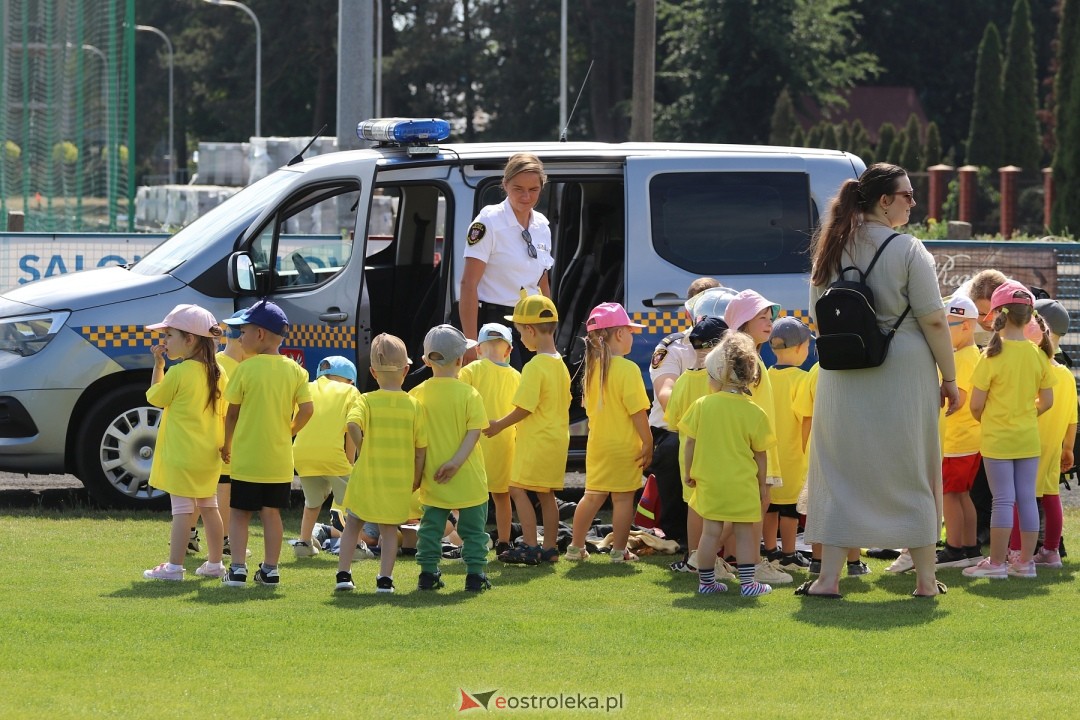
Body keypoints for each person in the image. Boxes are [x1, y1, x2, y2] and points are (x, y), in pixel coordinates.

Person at [802, 163, 959, 600]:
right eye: (907, 195)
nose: (914, 202)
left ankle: (828, 579)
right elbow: (934, 319)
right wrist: (950, 377)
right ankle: (925, 581)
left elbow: (816, 315)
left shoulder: (829, 248)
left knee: (839, 468)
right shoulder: (909, 250)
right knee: (913, 465)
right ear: (884, 201)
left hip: (843, 371)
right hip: (904, 370)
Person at [963, 282, 1055, 580]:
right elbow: (1048, 401)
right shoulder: (1039, 355)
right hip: (1027, 437)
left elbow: (976, 405)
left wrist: (989, 421)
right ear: (1030, 315)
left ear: (997, 314)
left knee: (1002, 499)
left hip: (997, 439)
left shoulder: (990, 356)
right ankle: (1025, 564)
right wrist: (1027, 415)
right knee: (1027, 498)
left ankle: (997, 563)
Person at [220, 300, 314, 587]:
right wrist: (290, 430)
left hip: (248, 458)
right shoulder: (295, 370)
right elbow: (308, 410)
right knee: (272, 514)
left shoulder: (244, 370)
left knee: (239, 514)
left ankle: (237, 569)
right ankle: (270, 570)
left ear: (259, 334)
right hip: (279, 461)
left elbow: (232, 413)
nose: (240, 337)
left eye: (244, 331)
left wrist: (226, 444)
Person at [680, 332, 776, 597]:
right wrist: (763, 485)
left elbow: (690, 443)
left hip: (710, 481)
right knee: (745, 533)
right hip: (742, 482)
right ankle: (748, 584)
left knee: (710, 533)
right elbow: (761, 454)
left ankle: (706, 583)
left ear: (720, 374)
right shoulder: (754, 412)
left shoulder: (702, 405)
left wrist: (688, 472)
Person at [141, 305, 229, 581]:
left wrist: (159, 366)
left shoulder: (179, 373)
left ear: (189, 339)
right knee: (209, 506)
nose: (164, 341)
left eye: (169, 335)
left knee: (181, 510)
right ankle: (215, 564)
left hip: (182, 455)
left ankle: (174, 567)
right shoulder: (219, 373)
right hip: (208, 455)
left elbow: (155, 397)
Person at [336, 334, 427, 593]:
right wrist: (417, 477)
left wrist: (362, 448)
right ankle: (384, 579)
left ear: (373, 373)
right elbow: (421, 449)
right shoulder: (414, 406)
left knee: (353, 523)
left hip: (366, 476)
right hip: (398, 480)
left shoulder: (365, 400)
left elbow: (352, 424)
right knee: (389, 530)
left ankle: (344, 574)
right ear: (406, 370)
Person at [485, 294, 571, 566]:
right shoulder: (560, 363)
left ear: (531, 331)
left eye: (521, 331)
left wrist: (498, 424)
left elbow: (525, 407)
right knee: (546, 494)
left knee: (516, 488)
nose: (521, 337)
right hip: (557, 440)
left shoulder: (534, 367)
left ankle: (531, 545)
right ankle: (550, 547)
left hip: (536, 440)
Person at [565, 303, 652, 562]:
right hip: (624, 446)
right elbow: (638, 412)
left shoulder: (591, 369)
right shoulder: (628, 369)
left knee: (591, 497)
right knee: (623, 500)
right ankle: (618, 551)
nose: (633, 336)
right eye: (630, 331)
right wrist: (648, 442)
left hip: (598, 445)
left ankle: (575, 547)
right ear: (618, 334)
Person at [409, 325, 492, 592]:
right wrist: (456, 462)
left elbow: (413, 441)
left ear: (425, 360)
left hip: (432, 477)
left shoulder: (416, 395)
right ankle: (476, 575)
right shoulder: (469, 394)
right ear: (460, 360)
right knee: (474, 531)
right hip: (468, 477)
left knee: (430, 529)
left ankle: (428, 573)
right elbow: (474, 433)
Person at [644, 278, 725, 544]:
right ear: (689, 312)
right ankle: (678, 534)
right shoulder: (673, 347)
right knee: (675, 448)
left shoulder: (733, 347)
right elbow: (666, 395)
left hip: (719, 428)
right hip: (676, 429)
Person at [723, 289, 795, 586]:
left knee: (744, 507)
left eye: (770, 318)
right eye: (761, 318)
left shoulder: (746, 357)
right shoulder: (746, 360)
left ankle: (728, 561)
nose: (769, 323)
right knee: (754, 507)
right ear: (743, 323)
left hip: (754, 445)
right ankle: (748, 563)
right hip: (753, 448)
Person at [459, 153, 555, 369]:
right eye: (518, 189)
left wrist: (548, 334)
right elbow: (468, 284)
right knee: (504, 393)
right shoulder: (488, 221)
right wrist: (471, 342)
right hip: (496, 323)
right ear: (505, 184)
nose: (526, 197)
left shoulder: (542, 225)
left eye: (533, 190)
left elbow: (543, 283)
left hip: (533, 323)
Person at [1012, 299, 1075, 570]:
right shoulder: (1067, 375)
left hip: (1030, 443)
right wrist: (1068, 448)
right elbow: (1073, 418)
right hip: (1053, 447)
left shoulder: (1035, 368)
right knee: (1051, 496)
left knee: (1019, 496)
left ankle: (1014, 551)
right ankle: (1051, 551)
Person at [662, 316, 728, 574]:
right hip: (715, 453)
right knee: (724, 509)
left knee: (694, 506)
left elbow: (673, 421)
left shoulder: (682, 380)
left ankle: (693, 557)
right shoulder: (717, 381)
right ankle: (709, 557)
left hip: (687, 455)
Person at [459, 322, 521, 555]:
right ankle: (504, 541)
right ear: (509, 351)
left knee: (472, 498)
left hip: (473, 443)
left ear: (478, 349)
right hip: (505, 443)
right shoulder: (516, 376)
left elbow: (460, 402)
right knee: (502, 496)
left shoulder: (470, 371)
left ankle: (471, 541)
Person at [292, 356, 362, 558]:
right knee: (353, 502)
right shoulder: (351, 391)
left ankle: (303, 542)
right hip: (333, 455)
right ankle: (356, 546)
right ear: (350, 379)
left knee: (312, 501)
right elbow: (351, 429)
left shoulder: (308, 387)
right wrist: (350, 461)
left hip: (301, 454)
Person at [934, 296, 984, 569]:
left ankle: (953, 548)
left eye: (947, 325)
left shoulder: (963, 358)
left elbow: (959, 398)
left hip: (958, 440)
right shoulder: (972, 355)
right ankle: (970, 548)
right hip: (970, 439)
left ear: (965, 326)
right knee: (962, 494)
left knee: (950, 495)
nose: (943, 331)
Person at [763, 317, 813, 572]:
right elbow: (806, 419)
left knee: (770, 504)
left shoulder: (765, 377)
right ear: (797, 348)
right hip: (794, 453)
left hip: (769, 454)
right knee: (791, 509)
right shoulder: (802, 379)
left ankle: (770, 549)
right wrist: (807, 449)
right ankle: (790, 552)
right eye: (807, 346)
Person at [215, 310, 252, 557]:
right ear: (242, 340)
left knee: (203, 490)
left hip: (207, 436)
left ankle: (189, 535)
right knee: (224, 489)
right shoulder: (239, 370)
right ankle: (226, 539)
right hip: (227, 441)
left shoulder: (215, 361)